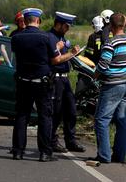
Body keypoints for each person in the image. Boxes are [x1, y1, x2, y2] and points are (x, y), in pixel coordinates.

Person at [11, 8, 80, 162]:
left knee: (22, 116)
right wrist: (71, 54)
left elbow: (18, 55)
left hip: (23, 81)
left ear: (26, 20)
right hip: (41, 82)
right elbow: (55, 60)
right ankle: (44, 152)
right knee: (45, 117)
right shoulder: (45, 37)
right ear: (38, 20)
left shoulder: (16, 38)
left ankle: (18, 151)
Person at [91, 13, 126, 163]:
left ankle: (104, 155)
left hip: (112, 86)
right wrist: (125, 18)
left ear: (110, 26)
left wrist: (94, 76)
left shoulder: (110, 44)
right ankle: (119, 155)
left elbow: (103, 66)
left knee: (101, 120)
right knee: (121, 120)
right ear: (123, 25)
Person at [48, 11, 86, 153]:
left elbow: (63, 56)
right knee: (56, 112)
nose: (68, 28)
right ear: (59, 24)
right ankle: (52, 141)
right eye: (66, 25)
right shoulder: (51, 38)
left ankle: (71, 141)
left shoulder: (61, 37)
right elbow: (55, 60)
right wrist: (72, 53)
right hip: (55, 78)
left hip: (64, 78)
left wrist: (73, 54)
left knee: (71, 110)